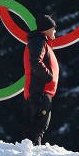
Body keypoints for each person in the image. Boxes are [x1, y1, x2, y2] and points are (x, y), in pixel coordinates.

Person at [22, 14, 59, 145]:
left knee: (40, 126)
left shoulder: (41, 41)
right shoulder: (38, 41)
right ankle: (33, 153)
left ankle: (34, 151)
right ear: (46, 29)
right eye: (53, 28)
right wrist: (48, 75)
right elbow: (35, 61)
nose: (55, 30)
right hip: (40, 91)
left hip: (42, 91)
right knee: (38, 126)